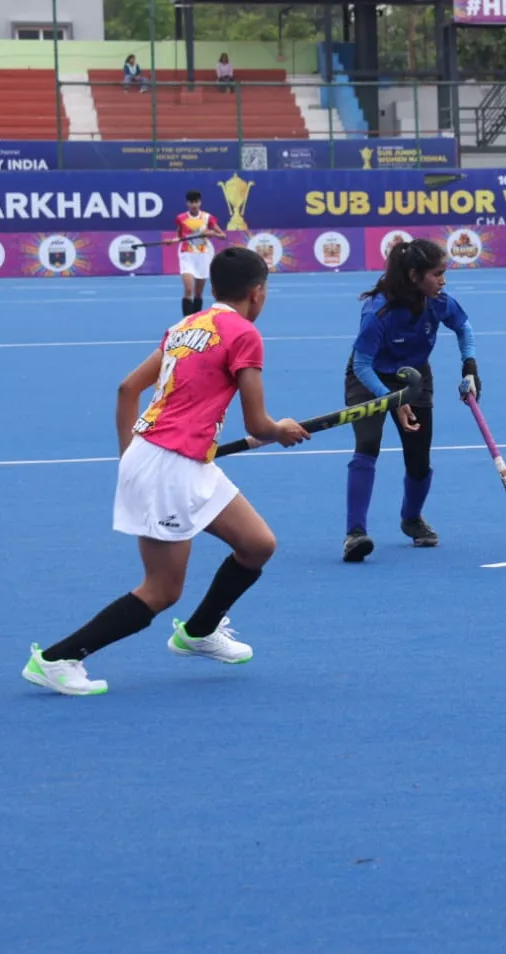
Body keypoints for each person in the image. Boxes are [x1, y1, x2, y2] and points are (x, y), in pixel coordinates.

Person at [22, 248, 309, 696]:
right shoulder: (245, 334)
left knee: (256, 545)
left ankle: (198, 632)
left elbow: (127, 389)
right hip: (170, 465)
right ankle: (57, 660)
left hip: (176, 458)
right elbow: (258, 425)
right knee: (161, 590)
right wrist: (280, 430)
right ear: (258, 293)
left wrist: (129, 457)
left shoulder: (185, 326)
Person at [343, 238, 480, 560]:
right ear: (414, 275)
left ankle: (412, 519)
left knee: (418, 460)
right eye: (437, 273)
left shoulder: (438, 301)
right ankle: (355, 533)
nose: (443, 280)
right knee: (367, 445)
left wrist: (469, 366)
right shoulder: (378, 312)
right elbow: (362, 365)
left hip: (414, 376)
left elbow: (463, 327)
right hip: (369, 378)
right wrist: (391, 399)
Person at [175, 189, 227, 318]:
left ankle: (196, 320)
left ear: (200, 202)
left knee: (198, 293)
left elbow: (223, 236)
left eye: (196, 202)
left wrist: (212, 233)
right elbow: (179, 236)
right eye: (191, 202)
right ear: (187, 203)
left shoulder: (208, 218)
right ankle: (186, 322)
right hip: (187, 253)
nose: (194, 205)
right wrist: (173, 240)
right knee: (188, 289)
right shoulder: (181, 218)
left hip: (203, 255)